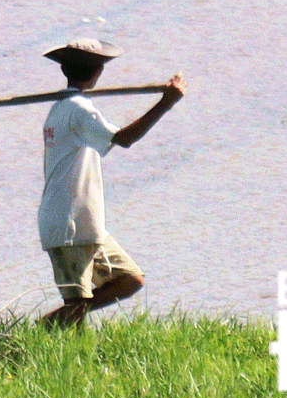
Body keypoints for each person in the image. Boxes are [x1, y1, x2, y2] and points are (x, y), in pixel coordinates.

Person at [36, 37, 185, 327]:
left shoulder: (63, 108)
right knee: (76, 307)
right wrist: (165, 104)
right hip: (70, 225)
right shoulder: (78, 109)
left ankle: (52, 323)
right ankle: (48, 333)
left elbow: (107, 141)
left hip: (85, 224)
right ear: (98, 73)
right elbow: (125, 139)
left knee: (131, 279)